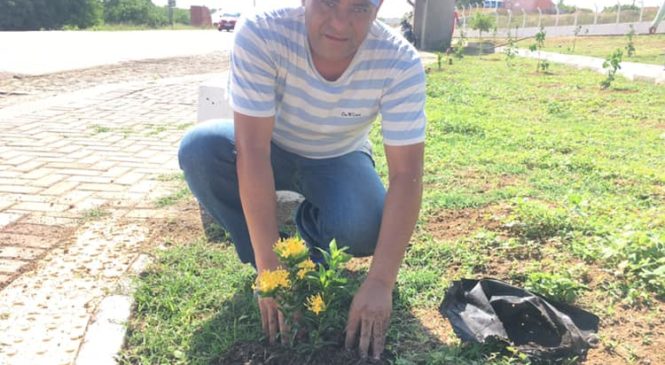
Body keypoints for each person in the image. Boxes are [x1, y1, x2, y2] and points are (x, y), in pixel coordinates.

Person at [178, 0, 425, 360]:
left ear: (379, 6)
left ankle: (307, 238)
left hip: (339, 155)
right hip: (269, 145)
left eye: (359, 8)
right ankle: (264, 250)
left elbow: (406, 175)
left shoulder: (399, 61)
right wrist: (269, 270)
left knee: (366, 224)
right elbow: (252, 150)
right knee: (200, 150)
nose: (340, 23)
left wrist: (380, 281)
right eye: (327, 2)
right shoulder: (262, 32)